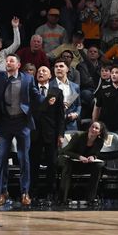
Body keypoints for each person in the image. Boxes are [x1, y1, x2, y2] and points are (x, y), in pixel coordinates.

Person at [0, 54, 44, 207]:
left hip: (22, 122)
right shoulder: (0, 76)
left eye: (11, 60)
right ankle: (2, 192)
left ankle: (25, 192)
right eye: (6, 61)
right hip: (5, 122)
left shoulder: (27, 78)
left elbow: (36, 97)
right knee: (3, 158)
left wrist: (49, 99)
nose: (8, 63)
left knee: (24, 158)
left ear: (18, 64)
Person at [30, 66, 65, 203]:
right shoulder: (31, 90)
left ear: (50, 76)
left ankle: (51, 192)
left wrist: (61, 134)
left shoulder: (57, 91)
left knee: (52, 164)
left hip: (51, 132)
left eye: (44, 71)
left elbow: (60, 116)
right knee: (34, 164)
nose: (41, 73)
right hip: (34, 133)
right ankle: (33, 193)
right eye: (39, 71)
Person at [58, 121, 108, 204]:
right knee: (67, 165)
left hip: (84, 163)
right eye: (92, 127)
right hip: (69, 160)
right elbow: (66, 151)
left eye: (96, 128)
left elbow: (96, 154)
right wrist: (79, 157)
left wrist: (93, 157)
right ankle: (62, 199)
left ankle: (90, 199)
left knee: (98, 166)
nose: (93, 129)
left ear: (99, 132)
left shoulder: (100, 142)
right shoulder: (79, 136)